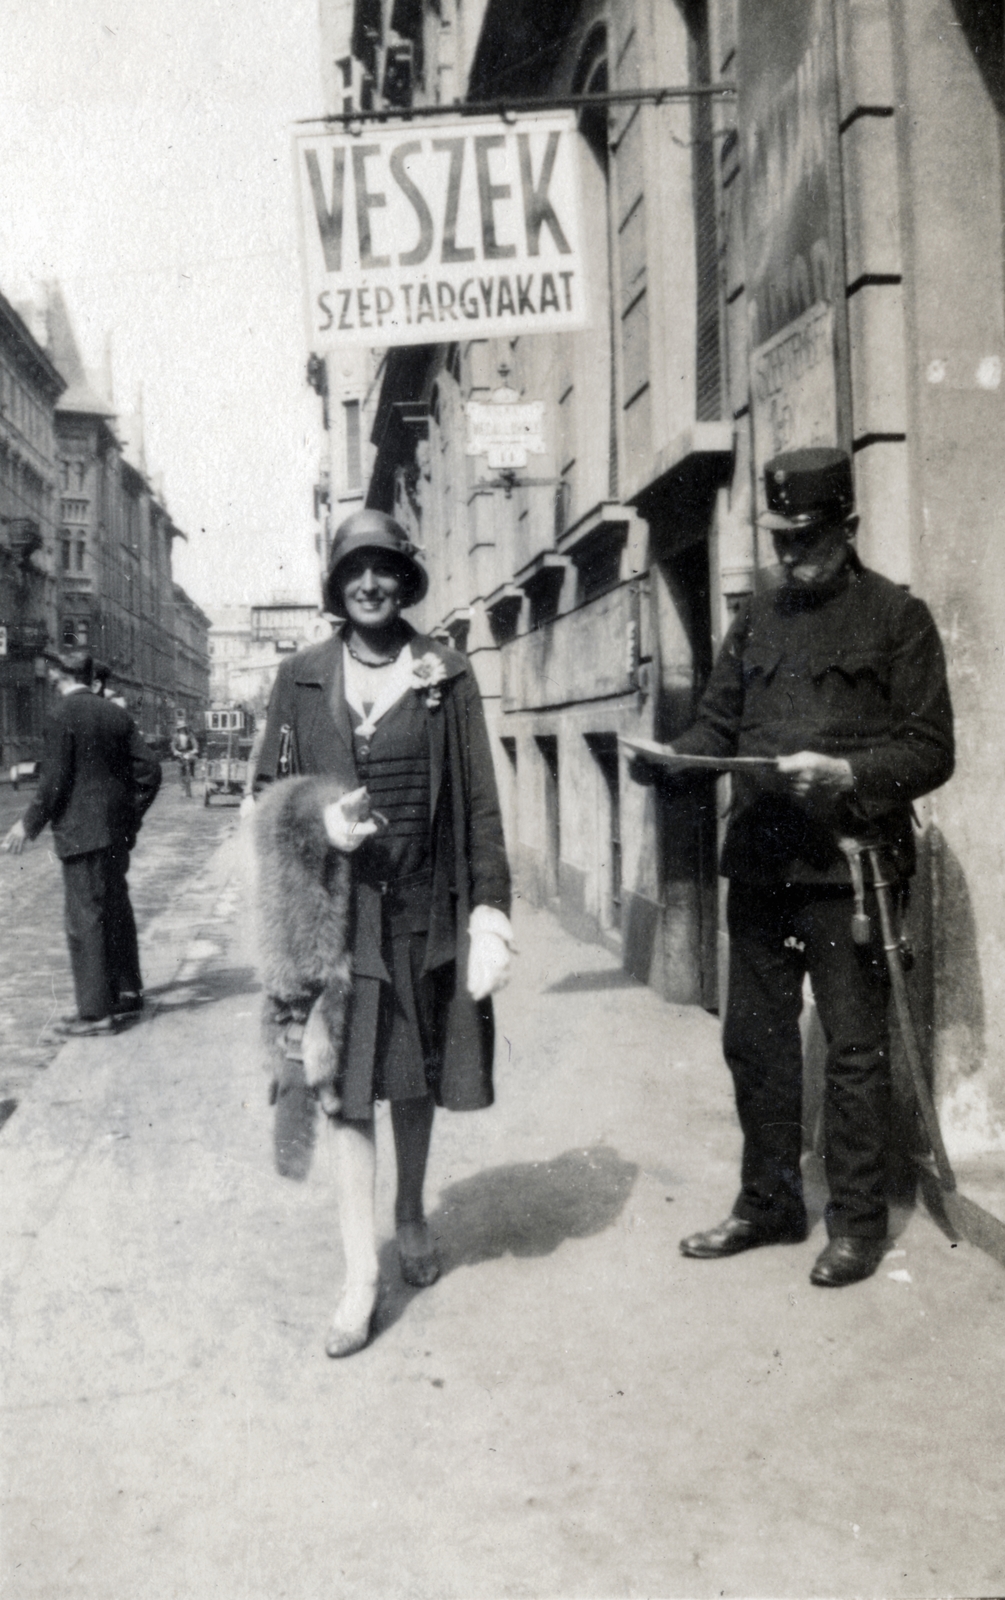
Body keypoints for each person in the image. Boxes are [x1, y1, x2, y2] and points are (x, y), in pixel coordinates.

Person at [632, 447, 954, 1288]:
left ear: (847, 528)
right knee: (756, 1045)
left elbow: (929, 748)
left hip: (848, 874)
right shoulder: (755, 622)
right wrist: (667, 758)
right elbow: (716, 730)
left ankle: (854, 1223)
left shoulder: (896, 618)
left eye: (806, 538)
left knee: (851, 1050)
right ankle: (767, 1204)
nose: (789, 555)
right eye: (779, 539)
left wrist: (848, 773)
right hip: (764, 863)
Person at [252, 508, 514, 1356]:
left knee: (412, 1077)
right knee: (345, 1091)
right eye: (353, 569)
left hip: (424, 909)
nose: (369, 583)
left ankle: (410, 1212)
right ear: (336, 584)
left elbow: (477, 798)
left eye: (384, 568)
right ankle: (361, 1275)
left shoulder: (443, 672)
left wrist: (489, 909)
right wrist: (318, 822)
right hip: (338, 919)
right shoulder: (299, 679)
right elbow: (267, 791)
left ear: (404, 580)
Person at [1, 648, 162, 1035]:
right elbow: (150, 772)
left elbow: (54, 781)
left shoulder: (60, 716)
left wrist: (27, 825)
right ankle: (127, 992)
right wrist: (129, 817)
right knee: (117, 910)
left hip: (81, 836)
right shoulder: (116, 714)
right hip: (115, 836)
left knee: (85, 920)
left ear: (60, 677)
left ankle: (95, 1013)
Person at [170, 721, 198, 798]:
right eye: (180, 728)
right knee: (180, 769)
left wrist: (195, 749)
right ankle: (182, 786)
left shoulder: (189, 735)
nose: (182, 730)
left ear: (185, 728)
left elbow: (194, 742)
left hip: (188, 752)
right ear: (178, 729)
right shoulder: (176, 736)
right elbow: (173, 745)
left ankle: (192, 774)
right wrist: (175, 751)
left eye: (183, 728)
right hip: (180, 753)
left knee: (192, 761)